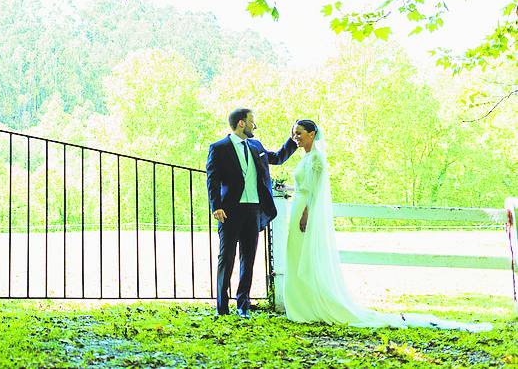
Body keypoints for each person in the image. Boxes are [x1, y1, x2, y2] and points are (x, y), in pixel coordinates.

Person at [283, 119, 491, 331]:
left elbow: (317, 190)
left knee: (307, 257)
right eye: (294, 134)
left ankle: (315, 304)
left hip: (306, 210)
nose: (296, 137)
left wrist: (307, 212)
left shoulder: (317, 158)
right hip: (298, 205)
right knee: (296, 255)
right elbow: (304, 184)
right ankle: (303, 304)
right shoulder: (306, 158)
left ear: (311, 134)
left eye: (299, 133)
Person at [207, 108, 298, 316]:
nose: (254, 126)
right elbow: (212, 180)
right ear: (241, 123)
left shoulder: (256, 146)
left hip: (254, 210)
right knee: (227, 258)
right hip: (230, 211)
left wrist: (292, 140)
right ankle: (222, 307)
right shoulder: (219, 148)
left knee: (248, 259)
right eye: (251, 122)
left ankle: (243, 305)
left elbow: (277, 158)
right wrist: (216, 206)